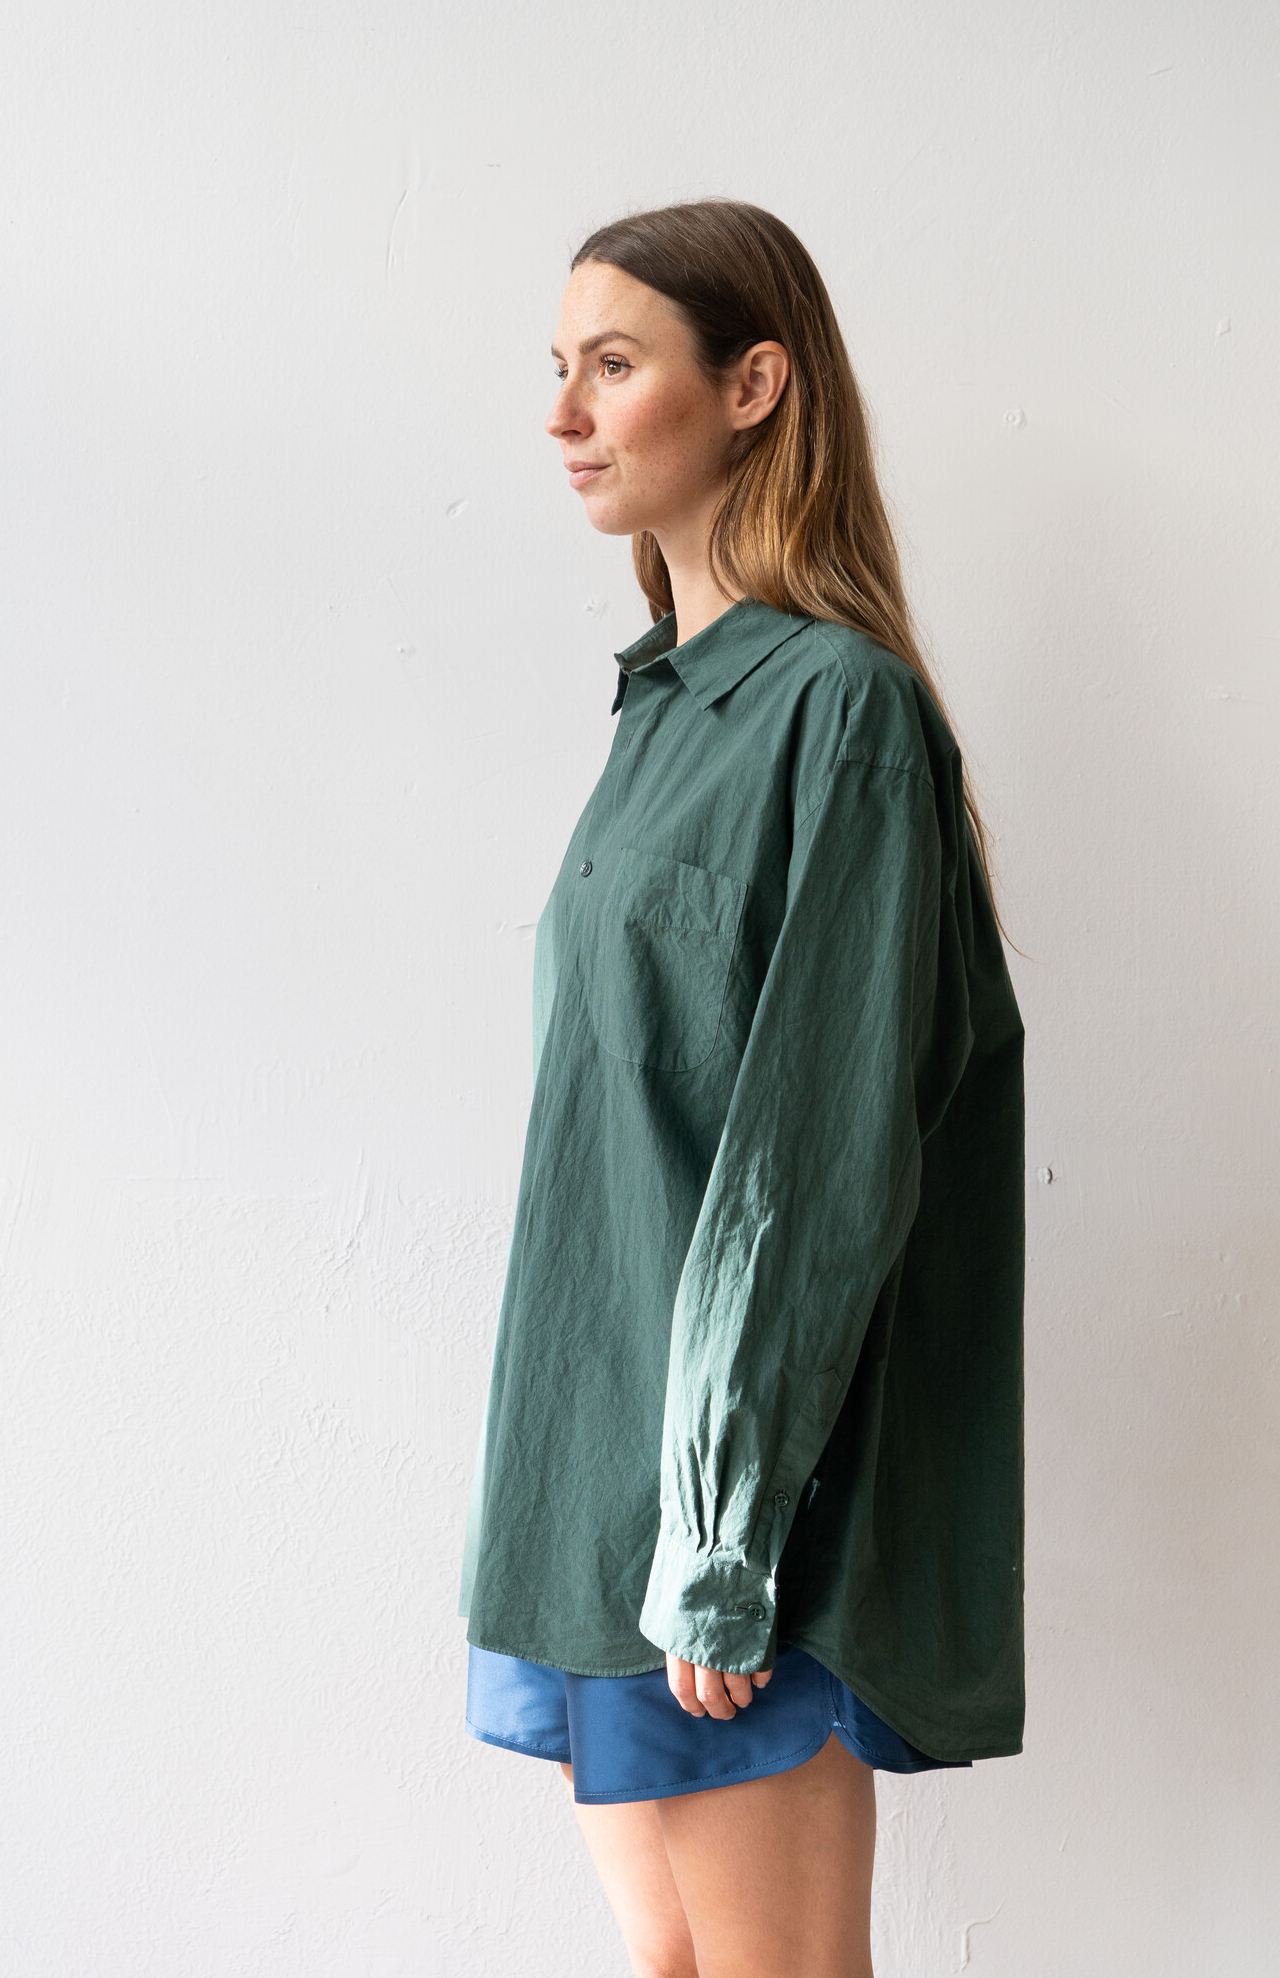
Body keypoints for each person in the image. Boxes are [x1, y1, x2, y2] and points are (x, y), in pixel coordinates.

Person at [457, 199, 1026, 1978]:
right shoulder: (656, 715)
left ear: (754, 384)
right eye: (559, 369)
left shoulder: (839, 712)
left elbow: (812, 1160)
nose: (563, 414)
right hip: (593, 1470)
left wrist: (722, 1536)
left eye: (612, 367)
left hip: (738, 1510)